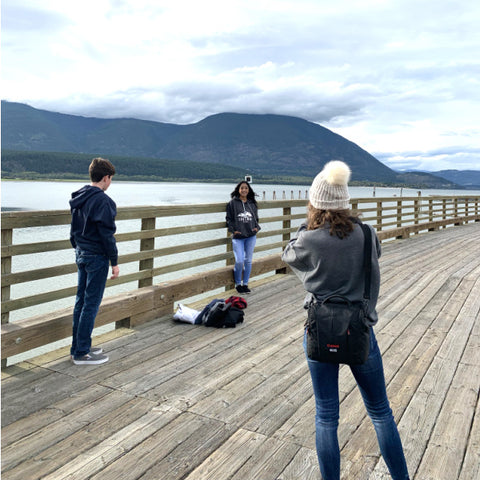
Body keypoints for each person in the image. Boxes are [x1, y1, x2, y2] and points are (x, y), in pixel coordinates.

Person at [282, 160, 410, 480]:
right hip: (360, 329)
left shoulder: (309, 240)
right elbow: (374, 258)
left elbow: (288, 254)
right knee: (380, 412)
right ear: (345, 201)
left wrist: (307, 226)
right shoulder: (366, 234)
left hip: (319, 329)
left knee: (326, 416)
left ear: (316, 202)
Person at [69, 158, 120, 365]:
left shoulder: (78, 196)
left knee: (81, 301)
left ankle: (79, 346)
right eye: (111, 179)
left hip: (81, 253)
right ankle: (81, 353)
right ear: (106, 178)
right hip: (97, 256)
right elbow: (107, 235)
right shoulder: (104, 202)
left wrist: (78, 247)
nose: (110, 183)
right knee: (91, 304)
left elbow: (73, 230)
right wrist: (114, 262)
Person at [226, 180, 261, 294]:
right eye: (242, 188)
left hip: (251, 236)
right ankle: (238, 284)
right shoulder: (232, 203)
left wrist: (256, 227)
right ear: (238, 190)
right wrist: (233, 230)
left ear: (249, 190)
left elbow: (256, 217)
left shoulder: (252, 203)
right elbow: (229, 219)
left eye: (246, 188)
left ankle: (245, 284)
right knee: (240, 261)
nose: (244, 190)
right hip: (238, 237)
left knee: (248, 261)